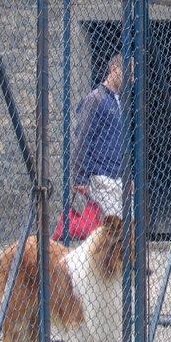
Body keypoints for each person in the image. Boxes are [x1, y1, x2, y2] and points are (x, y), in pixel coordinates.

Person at [72, 53, 125, 219]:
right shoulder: (95, 99)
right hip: (102, 176)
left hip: (119, 176)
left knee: (122, 230)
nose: (131, 79)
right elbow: (82, 137)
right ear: (114, 69)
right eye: (127, 73)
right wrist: (80, 177)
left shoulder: (121, 102)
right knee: (112, 232)